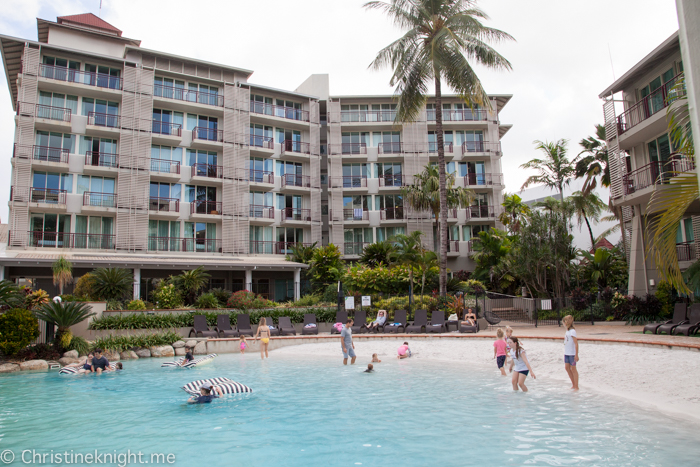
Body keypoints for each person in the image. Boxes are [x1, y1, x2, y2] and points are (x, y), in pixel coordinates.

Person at [563, 315, 579, 390]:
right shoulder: (567, 331)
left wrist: (576, 355)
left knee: (573, 369)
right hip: (567, 353)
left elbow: (576, 343)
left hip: (572, 354)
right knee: (567, 367)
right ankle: (573, 384)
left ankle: (576, 386)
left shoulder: (572, 331)